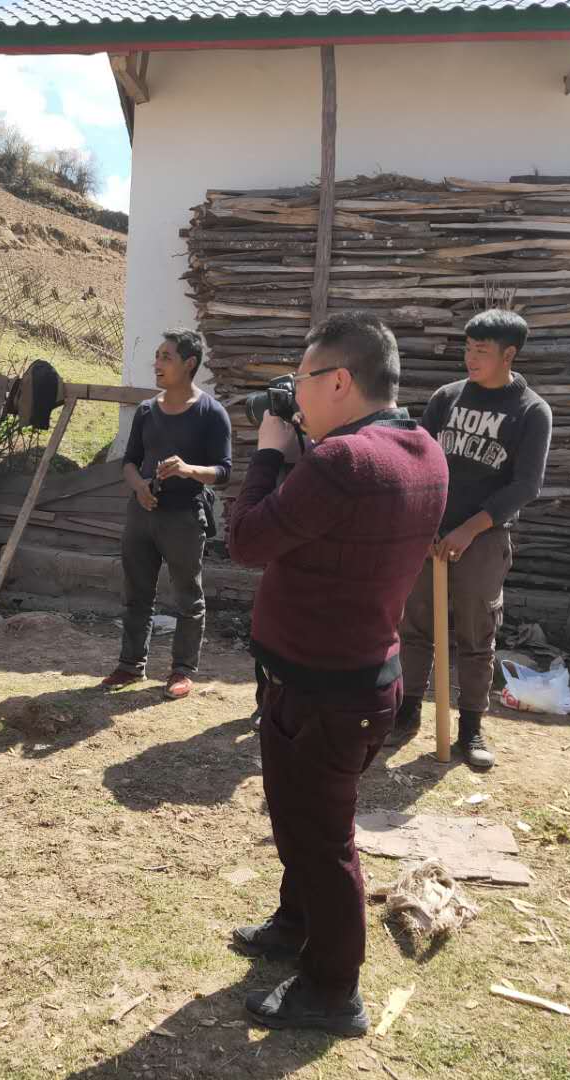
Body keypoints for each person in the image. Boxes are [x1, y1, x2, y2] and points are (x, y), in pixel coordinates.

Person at [225, 312, 447, 1034]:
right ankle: (295, 925)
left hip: (321, 688)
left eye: (305, 375)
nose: (296, 391)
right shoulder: (423, 450)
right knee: (303, 820)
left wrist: (267, 451)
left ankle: (332, 988)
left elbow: (247, 539)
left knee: (321, 837)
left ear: (341, 380)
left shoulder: (340, 464)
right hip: (358, 679)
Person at [390, 309, 552, 770]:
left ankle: (471, 727)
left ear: (509, 354)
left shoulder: (531, 411)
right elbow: (421, 459)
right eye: (468, 348)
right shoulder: (448, 398)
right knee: (415, 626)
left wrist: (469, 529)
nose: (471, 358)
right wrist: (424, 523)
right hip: (430, 532)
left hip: (482, 537)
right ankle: (406, 714)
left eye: (482, 350)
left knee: (475, 634)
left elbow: (526, 485)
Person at [101, 329, 232, 700]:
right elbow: (129, 462)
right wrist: (139, 487)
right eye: (156, 356)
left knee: (187, 597)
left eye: (166, 357)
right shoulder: (147, 411)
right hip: (141, 514)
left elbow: (224, 471)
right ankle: (130, 665)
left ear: (189, 364)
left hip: (185, 518)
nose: (156, 364)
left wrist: (189, 470)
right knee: (135, 593)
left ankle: (181, 670)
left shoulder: (211, 413)